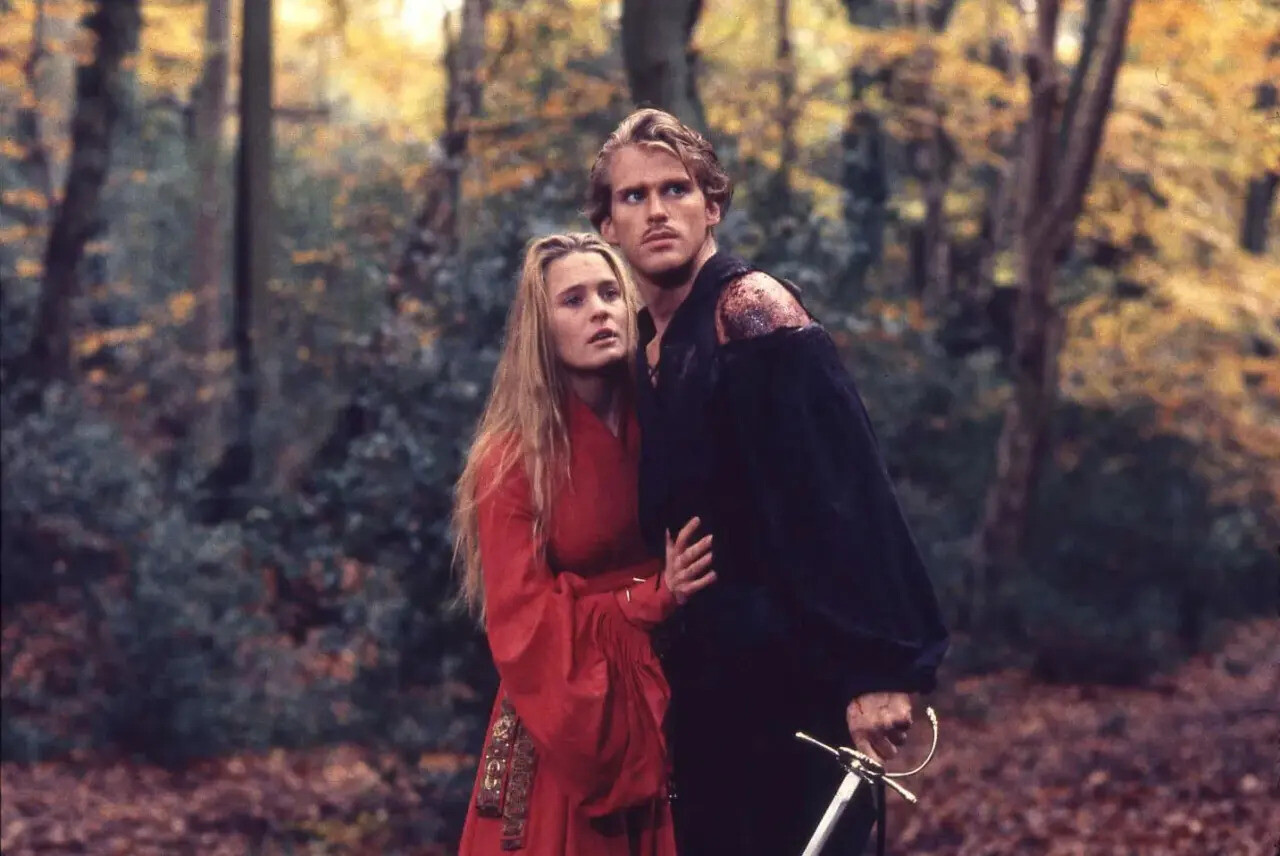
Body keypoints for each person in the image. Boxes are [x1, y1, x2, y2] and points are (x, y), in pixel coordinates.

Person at [585, 109, 951, 855]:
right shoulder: (646, 351)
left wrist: (878, 667)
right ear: (607, 228)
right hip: (707, 693)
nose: (657, 211)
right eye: (634, 196)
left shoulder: (748, 309)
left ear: (712, 206)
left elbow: (842, 491)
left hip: (795, 683)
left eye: (676, 189)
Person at [451, 232, 717, 855]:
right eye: (573, 301)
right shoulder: (511, 460)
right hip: (573, 725)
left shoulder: (666, 422)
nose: (599, 310)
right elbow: (522, 623)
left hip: (682, 698)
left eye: (609, 293)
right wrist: (649, 599)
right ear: (540, 331)